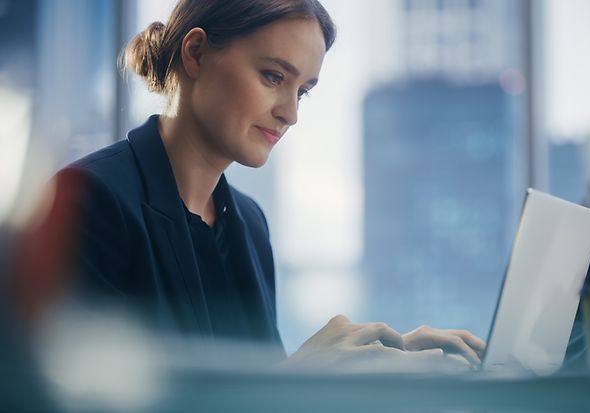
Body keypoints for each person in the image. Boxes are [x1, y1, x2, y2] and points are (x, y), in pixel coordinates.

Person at [27, 0, 485, 370]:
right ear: (196, 53)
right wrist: (296, 378)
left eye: (302, 90)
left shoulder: (248, 223)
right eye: (273, 77)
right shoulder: (87, 199)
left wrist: (385, 356)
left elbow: (256, 391)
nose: (291, 112)